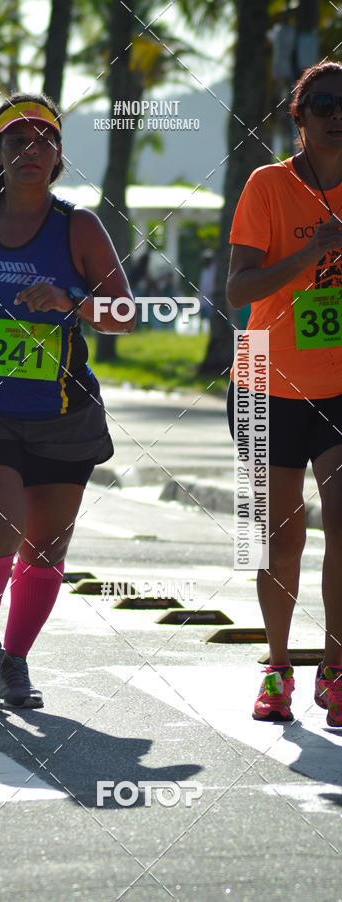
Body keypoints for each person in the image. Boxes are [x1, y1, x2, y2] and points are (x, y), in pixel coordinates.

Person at [0, 93, 135, 708]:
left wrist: (71, 304)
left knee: (46, 548)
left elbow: (124, 315)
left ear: (58, 158)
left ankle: (15, 660)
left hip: (60, 412)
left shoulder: (79, 227)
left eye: (44, 139)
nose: (31, 149)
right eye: (16, 140)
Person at [227, 62, 342, 726]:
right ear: (298, 118)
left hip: (339, 387)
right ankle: (276, 667)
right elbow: (239, 291)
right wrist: (307, 258)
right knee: (281, 534)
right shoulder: (267, 186)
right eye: (321, 102)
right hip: (267, 377)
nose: (335, 112)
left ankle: (335, 667)